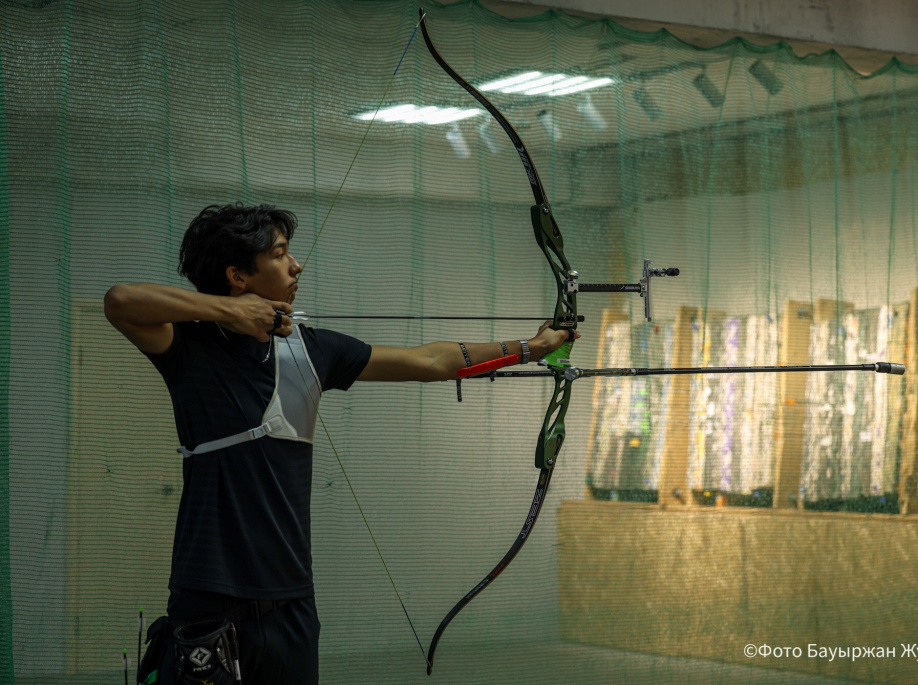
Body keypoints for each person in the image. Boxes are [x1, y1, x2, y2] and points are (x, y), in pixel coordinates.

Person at [104, 202, 577, 685]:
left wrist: (529, 348)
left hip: (291, 601)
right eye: (280, 253)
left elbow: (431, 362)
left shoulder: (309, 350)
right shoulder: (186, 348)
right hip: (207, 598)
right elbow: (120, 300)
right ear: (237, 275)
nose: (296, 265)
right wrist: (228, 310)